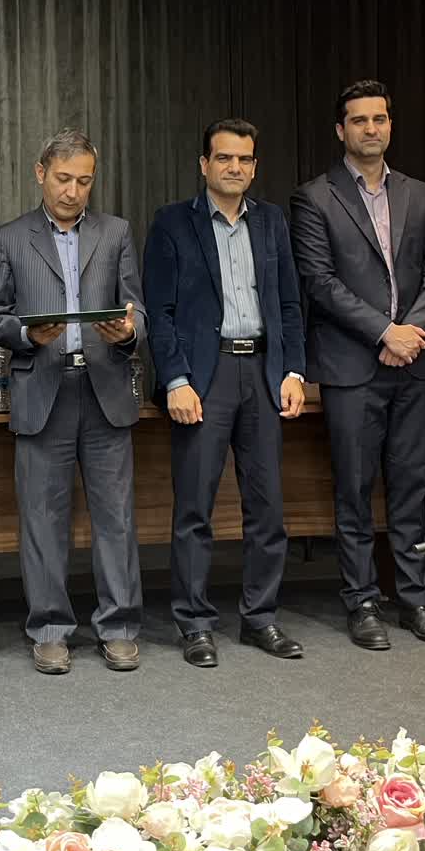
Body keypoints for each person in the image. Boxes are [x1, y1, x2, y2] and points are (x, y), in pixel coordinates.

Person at [289, 81, 425, 649]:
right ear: (341, 131)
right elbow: (320, 283)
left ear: (390, 126)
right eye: (359, 120)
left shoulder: (419, 194)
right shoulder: (314, 198)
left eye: (379, 119)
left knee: (411, 485)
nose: (371, 129)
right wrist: (385, 332)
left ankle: (415, 599)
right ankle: (361, 602)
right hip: (351, 365)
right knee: (355, 490)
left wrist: (410, 335)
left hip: (414, 365)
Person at [142, 118, 307, 668]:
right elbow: (161, 312)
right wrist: (176, 380)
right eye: (224, 158)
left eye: (244, 159)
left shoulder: (272, 222)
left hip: (262, 373)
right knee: (195, 507)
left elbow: (289, 304)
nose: (234, 167)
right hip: (203, 380)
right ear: (204, 164)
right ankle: (194, 623)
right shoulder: (172, 223)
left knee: (268, 508)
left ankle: (261, 617)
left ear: (254, 167)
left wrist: (293, 371)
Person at [0, 128, 146, 676]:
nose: (73, 191)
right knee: (43, 518)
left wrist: (129, 332)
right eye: (63, 179)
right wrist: (27, 334)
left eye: (84, 181)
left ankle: (119, 626)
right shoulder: (10, 238)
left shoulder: (116, 232)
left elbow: (137, 309)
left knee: (115, 517)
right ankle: (50, 629)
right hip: (42, 389)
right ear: (40, 173)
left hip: (104, 391)